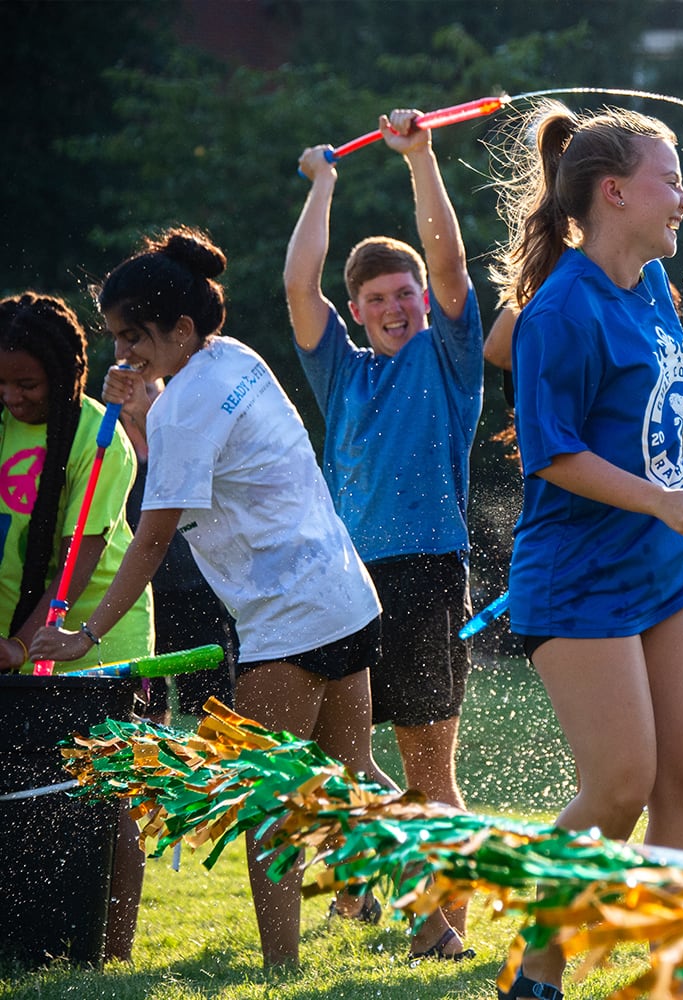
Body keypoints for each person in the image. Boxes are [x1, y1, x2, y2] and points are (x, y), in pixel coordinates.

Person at [26, 228, 449, 969]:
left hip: (290, 617)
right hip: (346, 597)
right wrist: (141, 402)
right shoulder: (235, 360)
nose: (124, 354)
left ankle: (281, 970)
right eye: (117, 340)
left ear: (180, 329)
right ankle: (435, 918)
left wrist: (87, 634)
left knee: (264, 797)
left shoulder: (187, 403)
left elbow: (153, 537)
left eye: (133, 338)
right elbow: (190, 465)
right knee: (352, 777)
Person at [491, 102, 683, 1000]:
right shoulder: (558, 310)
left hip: (663, 569)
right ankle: (533, 970)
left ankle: (680, 981)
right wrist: (663, 498)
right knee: (620, 785)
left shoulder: (651, 286)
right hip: (577, 578)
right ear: (615, 193)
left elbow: (653, 370)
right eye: (671, 181)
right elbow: (553, 450)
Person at [285, 108, 483, 947]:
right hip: (343, 581)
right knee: (339, 755)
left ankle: (441, 924)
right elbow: (299, 287)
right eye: (379, 299)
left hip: (425, 573)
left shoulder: (449, 356)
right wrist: (324, 183)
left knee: (425, 763)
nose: (398, 305)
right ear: (358, 314)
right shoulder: (342, 371)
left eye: (406, 294)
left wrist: (420, 160)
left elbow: (448, 259)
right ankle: (358, 887)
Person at [0, 291, 156, 963]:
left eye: (27, 383)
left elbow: (72, 561)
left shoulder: (99, 437)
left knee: (108, 795)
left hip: (92, 635)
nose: (12, 396)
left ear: (63, 376)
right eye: (1, 382)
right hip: (9, 635)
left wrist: (21, 642)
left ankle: (109, 953)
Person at [115, 376, 238, 722]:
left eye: (150, 389)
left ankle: (215, 773)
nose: (139, 394)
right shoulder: (116, 456)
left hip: (198, 591)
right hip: (143, 600)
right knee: (146, 708)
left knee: (213, 707)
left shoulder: (183, 449)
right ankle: (151, 771)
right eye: (132, 388)